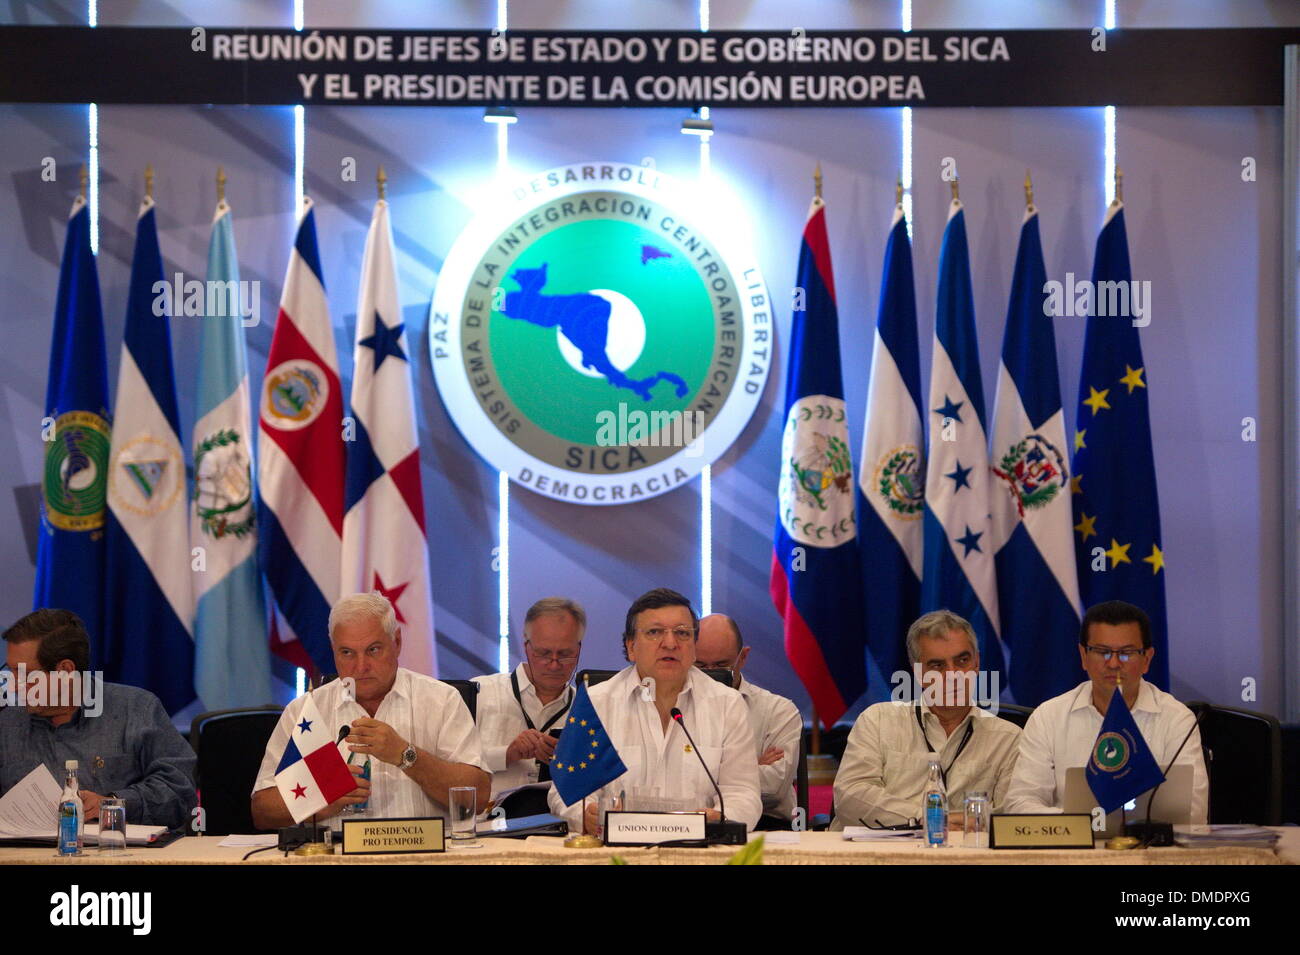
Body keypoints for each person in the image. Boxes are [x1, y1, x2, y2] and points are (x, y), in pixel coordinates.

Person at [251, 592, 489, 828]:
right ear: (333, 651)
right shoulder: (305, 711)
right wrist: (322, 798)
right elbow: (262, 812)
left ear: (396, 642)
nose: (361, 666)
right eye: (347, 653)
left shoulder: (441, 700)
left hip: (423, 855)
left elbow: (477, 797)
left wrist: (406, 756)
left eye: (373, 649)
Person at [546, 588, 761, 834]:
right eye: (654, 632)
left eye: (682, 633)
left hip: (699, 852)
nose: (670, 643)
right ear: (631, 647)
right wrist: (584, 815)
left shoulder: (728, 705)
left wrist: (721, 818)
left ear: (693, 646)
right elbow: (565, 793)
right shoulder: (596, 703)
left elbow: (743, 793)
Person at [1004, 600, 1208, 822]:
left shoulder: (1176, 719)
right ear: (1083, 656)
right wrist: (1084, 824)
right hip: (1070, 851)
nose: (1113, 663)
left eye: (1126, 653)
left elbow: (1193, 812)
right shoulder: (1049, 717)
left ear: (1147, 659)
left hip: (1150, 852)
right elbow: (1019, 804)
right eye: (1102, 652)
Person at [0, 609, 197, 829]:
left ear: (65, 670)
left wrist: (114, 803)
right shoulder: (5, 719)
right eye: (10, 671)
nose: (12, 685)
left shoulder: (136, 709)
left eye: (24, 674)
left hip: (119, 854)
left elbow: (181, 790)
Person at [831, 610, 1021, 830]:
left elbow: (1011, 815)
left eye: (962, 660)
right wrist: (927, 818)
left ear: (976, 664)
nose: (952, 675)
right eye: (937, 665)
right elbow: (850, 797)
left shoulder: (1008, 738)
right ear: (918, 672)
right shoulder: (878, 720)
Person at [473, 597, 585, 815]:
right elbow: (448, 764)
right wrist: (507, 754)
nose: (553, 664)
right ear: (526, 647)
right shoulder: (479, 693)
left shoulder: (587, 710)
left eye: (564, 654)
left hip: (560, 832)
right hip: (487, 828)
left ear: (578, 650)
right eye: (543, 653)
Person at [695, 613, 802, 826]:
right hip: (695, 820)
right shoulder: (675, 709)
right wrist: (749, 767)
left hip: (768, 825)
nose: (710, 676)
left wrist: (703, 775)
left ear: (743, 657)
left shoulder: (779, 710)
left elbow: (774, 787)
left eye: (720, 666)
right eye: (700, 666)